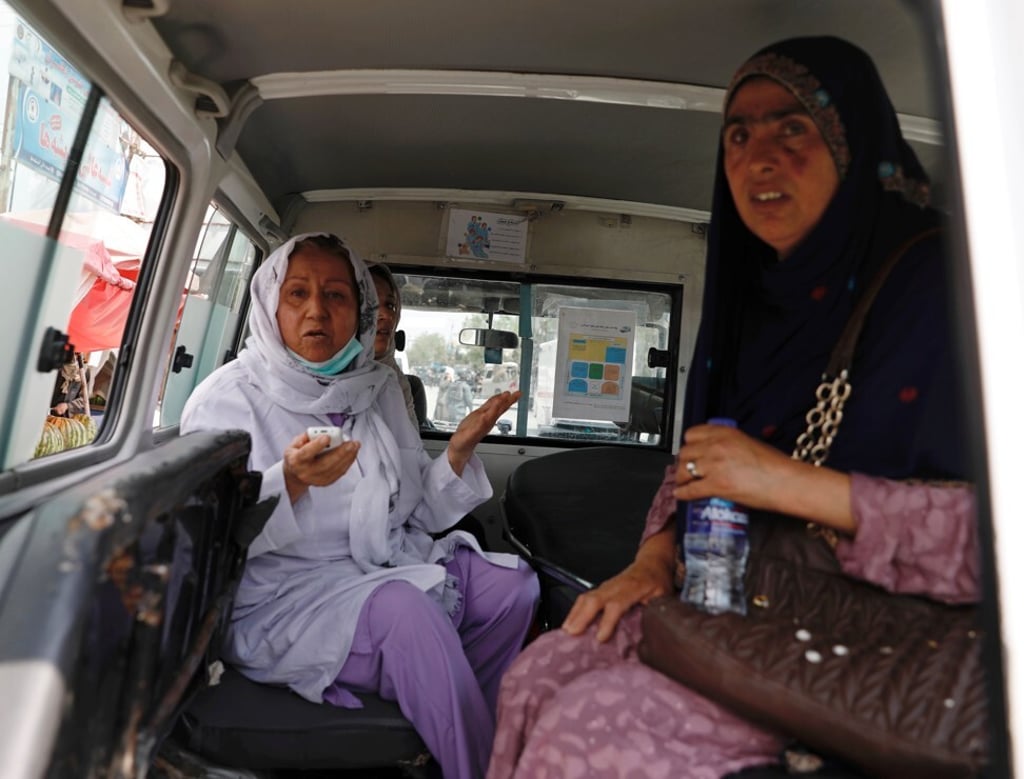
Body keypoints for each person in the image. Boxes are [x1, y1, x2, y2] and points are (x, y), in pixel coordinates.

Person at [486, 36, 979, 778]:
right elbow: (704, 463)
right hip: (742, 601)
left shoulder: (950, 294)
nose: (758, 158)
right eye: (739, 134)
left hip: (875, 639)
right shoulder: (749, 310)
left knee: (584, 734)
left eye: (793, 127)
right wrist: (654, 557)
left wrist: (783, 481)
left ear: (855, 145)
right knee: (538, 673)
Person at [180, 232, 539, 779]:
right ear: (270, 305)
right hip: (285, 596)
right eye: (297, 294)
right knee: (408, 614)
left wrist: (458, 452)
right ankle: (476, 764)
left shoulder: (376, 389)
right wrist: (290, 482)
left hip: (381, 562)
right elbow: (209, 535)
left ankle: (456, 719)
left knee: (517, 588)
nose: (316, 311)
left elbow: (414, 508)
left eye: (336, 296)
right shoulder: (227, 398)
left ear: (361, 311)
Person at [367, 262, 419, 428]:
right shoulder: (315, 379)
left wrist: (457, 451)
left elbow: (410, 451)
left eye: (390, 305)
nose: (387, 315)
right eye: (371, 303)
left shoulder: (395, 381)